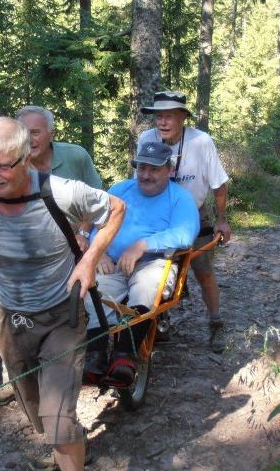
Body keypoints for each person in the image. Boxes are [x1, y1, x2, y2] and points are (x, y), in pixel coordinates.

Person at [0, 117, 124, 471]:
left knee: (57, 418)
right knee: (35, 410)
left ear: (26, 159)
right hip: (8, 318)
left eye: (1, 167)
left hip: (62, 314)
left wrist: (89, 260)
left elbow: (117, 209)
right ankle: (67, 443)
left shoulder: (62, 191)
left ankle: (65, 445)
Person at [0, 105, 103, 408]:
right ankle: (13, 378)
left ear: (51, 133)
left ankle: (68, 373)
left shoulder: (75, 157)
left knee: (72, 304)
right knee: (9, 309)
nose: (29, 139)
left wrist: (85, 237)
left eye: (35, 132)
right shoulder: (5, 172)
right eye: (23, 134)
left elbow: (97, 200)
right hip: (24, 258)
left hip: (72, 250)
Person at [83, 142, 199, 385]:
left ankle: (125, 356)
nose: (146, 175)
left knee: (147, 290)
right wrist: (99, 251)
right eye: (142, 168)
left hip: (154, 262)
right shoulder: (120, 190)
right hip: (112, 262)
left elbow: (185, 233)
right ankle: (96, 355)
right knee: (96, 293)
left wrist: (142, 245)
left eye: (154, 169)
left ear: (169, 170)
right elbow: (97, 225)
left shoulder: (180, 198)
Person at [138, 90, 232, 354]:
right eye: (158, 116)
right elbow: (141, 176)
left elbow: (219, 184)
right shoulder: (146, 139)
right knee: (153, 269)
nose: (162, 122)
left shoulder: (201, 142)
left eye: (169, 116)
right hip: (157, 215)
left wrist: (222, 219)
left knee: (203, 271)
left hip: (194, 213)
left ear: (183, 118)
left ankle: (216, 323)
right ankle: (159, 320)